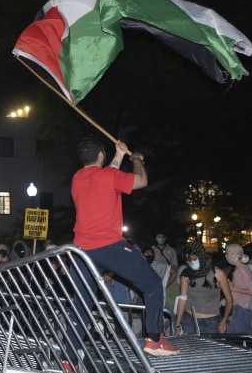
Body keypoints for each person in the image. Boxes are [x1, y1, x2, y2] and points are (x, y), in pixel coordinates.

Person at [71, 135, 178, 356]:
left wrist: (119, 155)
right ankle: (154, 340)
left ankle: (68, 357)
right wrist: (136, 159)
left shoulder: (78, 178)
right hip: (110, 247)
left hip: (81, 252)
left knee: (81, 303)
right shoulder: (109, 176)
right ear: (101, 155)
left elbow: (106, 175)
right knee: (153, 285)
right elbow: (141, 181)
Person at [174, 241, 232, 335]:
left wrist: (225, 319)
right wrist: (177, 324)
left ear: (201, 256)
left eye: (194, 259)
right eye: (189, 260)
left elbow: (229, 298)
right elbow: (183, 299)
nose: (192, 262)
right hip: (189, 319)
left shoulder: (218, 274)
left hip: (211, 321)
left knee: (210, 349)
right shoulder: (186, 273)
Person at [224, 244, 252, 334]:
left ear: (233, 254)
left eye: (227, 253)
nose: (226, 256)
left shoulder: (242, 269)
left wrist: (232, 288)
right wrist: (224, 301)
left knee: (233, 337)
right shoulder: (237, 269)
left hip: (243, 308)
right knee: (245, 337)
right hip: (240, 308)